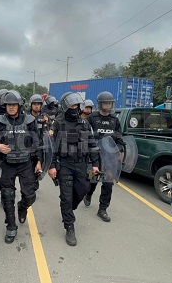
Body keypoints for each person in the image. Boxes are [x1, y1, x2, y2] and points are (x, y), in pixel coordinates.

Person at [47, 92, 99, 246]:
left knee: (83, 189)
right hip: (65, 164)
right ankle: (69, 226)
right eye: (71, 105)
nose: (74, 108)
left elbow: (92, 143)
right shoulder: (57, 124)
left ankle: (70, 207)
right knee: (66, 196)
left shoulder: (84, 124)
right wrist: (51, 166)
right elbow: (50, 148)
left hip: (82, 164)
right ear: (65, 106)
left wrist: (95, 164)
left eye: (76, 105)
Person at [0, 90, 42, 243]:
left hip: (26, 162)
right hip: (7, 163)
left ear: (19, 105)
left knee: (30, 195)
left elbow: (37, 142)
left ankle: (22, 207)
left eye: (13, 105)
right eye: (8, 105)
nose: (11, 107)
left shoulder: (29, 120)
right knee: (7, 196)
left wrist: (39, 160)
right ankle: (11, 226)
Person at [83, 92, 123, 222]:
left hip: (109, 157)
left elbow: (119, 137)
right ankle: (88, 194)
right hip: (94, 157)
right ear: (100, 104)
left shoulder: (114, 120)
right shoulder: (91, 118)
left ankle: (103, 209)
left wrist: (119, 151)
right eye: (106, 103)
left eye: (110, 103)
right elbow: (84, 135)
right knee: (91, 181)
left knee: (108, 184)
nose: (108, 105)